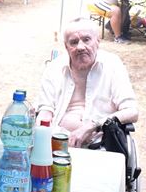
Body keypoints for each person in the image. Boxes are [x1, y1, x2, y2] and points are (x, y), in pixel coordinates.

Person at [36, 17, 138, 148]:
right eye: (73, 42)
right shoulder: (55, 68)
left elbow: (131, 111)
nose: (80, 47)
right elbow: (45, 109)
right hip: (57, 141)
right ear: (66, 47)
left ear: (97, 41)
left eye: (86, 39)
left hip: (101, 145)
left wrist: (92, 126)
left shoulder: (112, 65)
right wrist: (42, 134)